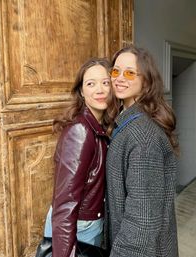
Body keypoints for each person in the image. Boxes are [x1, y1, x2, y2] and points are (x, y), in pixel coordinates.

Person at [106, 45, 179, 257]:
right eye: (115, 71)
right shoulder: (129, 120)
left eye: (129, 72)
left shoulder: (143, 136)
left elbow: (142, 220)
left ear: (145, 81)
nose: (119, 78)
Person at [48, 57, 116, 257]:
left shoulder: (100, 126)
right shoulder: (80, 130)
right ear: (81, 91)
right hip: (77, 227)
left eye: (105, 83)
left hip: (88, 224)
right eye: (90, 84)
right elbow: (65, 203)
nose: (100, 90)